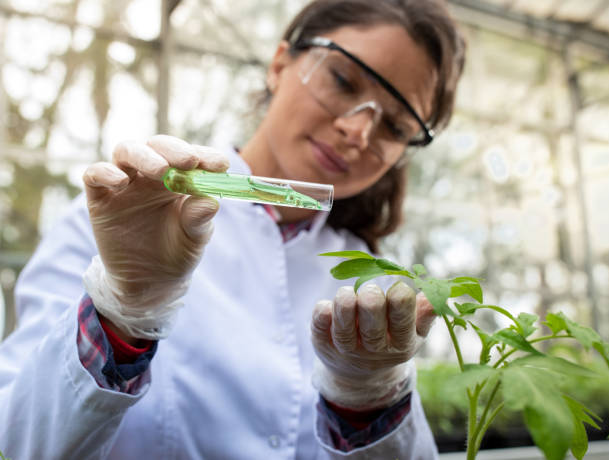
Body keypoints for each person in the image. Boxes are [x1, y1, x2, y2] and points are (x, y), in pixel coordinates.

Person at [0, 0, 465, 458]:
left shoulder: (373, 282)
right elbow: (18, 443)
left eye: (395, 126)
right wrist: (120, 314)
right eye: (343, 81)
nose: (359, 132)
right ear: (280, 63)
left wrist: (371, 402)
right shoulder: (121, 221)